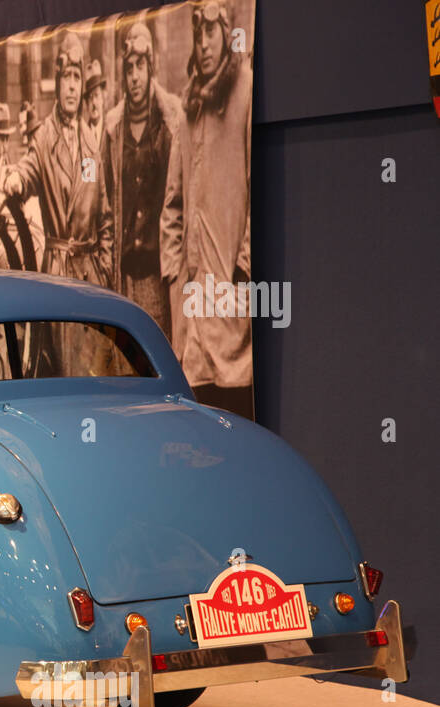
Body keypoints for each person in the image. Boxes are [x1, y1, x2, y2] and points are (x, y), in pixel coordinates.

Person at [161, 0, 253, 416]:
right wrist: (174, 276)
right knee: (199, 430)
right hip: (192, 315)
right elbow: (173, 205)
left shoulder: (247, 91)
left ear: (227, 31)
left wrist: (243, 269)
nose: (203, 43)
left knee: (240, 420)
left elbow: (256, 195)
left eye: (211, 31)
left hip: (233, 312)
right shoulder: (188, 106)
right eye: (197, 33)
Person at [2, 29, 112, 288]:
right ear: (58, 83)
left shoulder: (90, 143)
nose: (72, 86)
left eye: (77, 77)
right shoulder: (44, 138)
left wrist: (104, 268)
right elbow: (28, 169)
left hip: (89, 275)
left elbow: (104, 217)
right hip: (57, 272)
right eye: (66, 78)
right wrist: (16, 178)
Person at [104, 20, 182, 336]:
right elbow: (107, 202)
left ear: (151, 67)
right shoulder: (113, 129)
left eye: (140, 66)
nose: (134, 76)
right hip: (125, 278)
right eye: (128, 69)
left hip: (160, 277)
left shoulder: (171, 122)